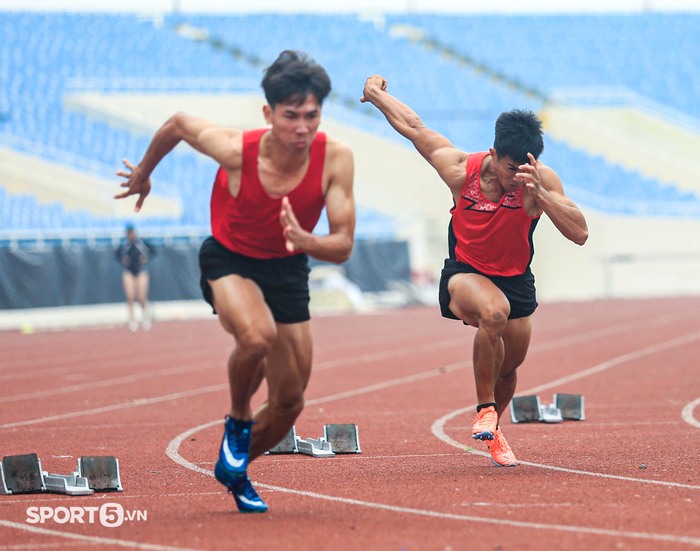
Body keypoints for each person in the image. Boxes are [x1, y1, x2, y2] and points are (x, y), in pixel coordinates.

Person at [115, 51, 355, 512]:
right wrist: (145, 173)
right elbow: (179, 123)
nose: (302, 128)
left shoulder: (336, 159)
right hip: (230, 260)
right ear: (269, 114)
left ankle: (235, 464)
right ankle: (239, 421)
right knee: (256, 335)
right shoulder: (235, 150)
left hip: (287, 269)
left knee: (290, 402)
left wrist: (306, 239)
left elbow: (343, 244)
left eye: (312, 116)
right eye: (291, 117)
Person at [361, 75, 588, 467]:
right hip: (464, 274)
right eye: (510, 167)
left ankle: (494, 426)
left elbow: (580, 233)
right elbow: (414, 128)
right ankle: (484, 409)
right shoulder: (459, 171)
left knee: (510, 366)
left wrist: (542, 196)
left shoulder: (538, 183)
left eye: (524, 168)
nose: (515, 176)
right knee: (493, 313)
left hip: (515, 278)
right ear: (494, 154)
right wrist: (376, 95)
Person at [115, 223, 154, 332]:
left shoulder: (141, 244)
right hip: (128, 271)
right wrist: (123, 260)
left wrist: (145, 259)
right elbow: (117, 255)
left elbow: (152, 252)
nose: (131, 235)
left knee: (142, 297)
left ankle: (145, 316)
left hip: (141, 270)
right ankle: (132, 319)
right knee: (130, 296)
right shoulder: (124, 245)